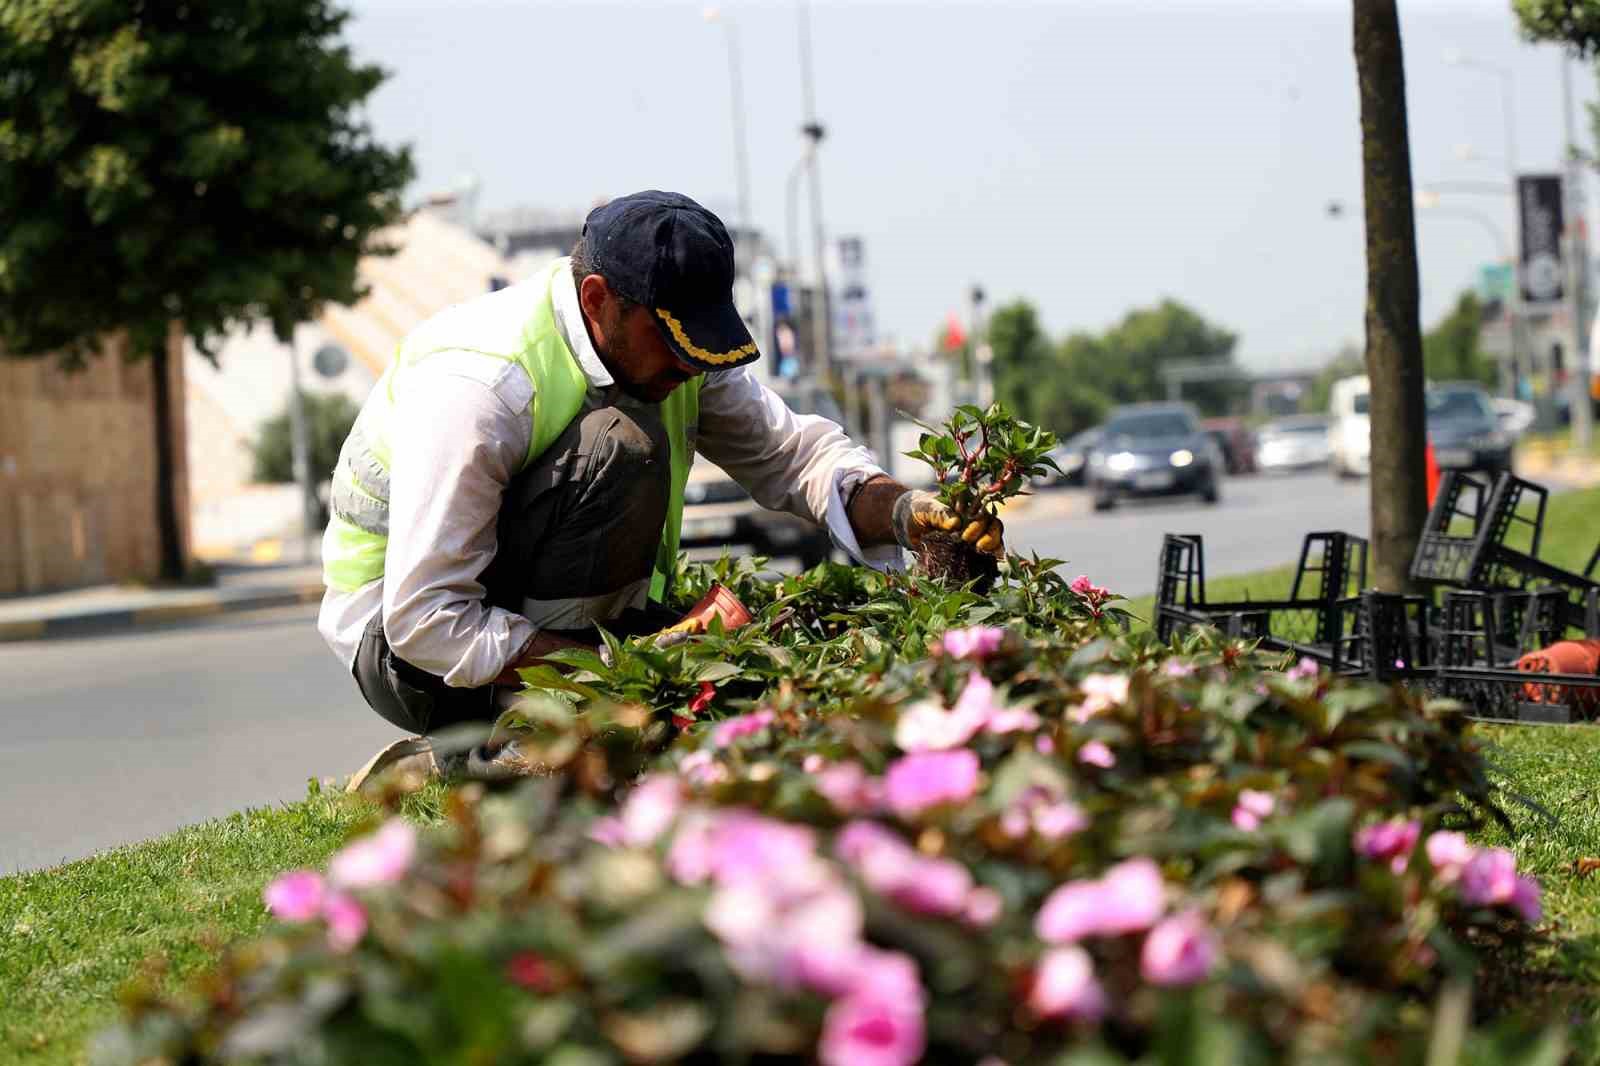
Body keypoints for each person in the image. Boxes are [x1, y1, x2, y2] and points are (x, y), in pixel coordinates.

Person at [318, 190, 1002, 785]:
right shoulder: (486, 385)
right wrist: (618, 669)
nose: (687, 366)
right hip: (404, 652)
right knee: (619, 444)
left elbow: (792, 456)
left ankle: (543, 720)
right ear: (597, 302)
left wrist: (908, 511)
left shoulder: (678, 356)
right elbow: (424, 620)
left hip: (518, 631)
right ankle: (494, 742)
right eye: (671, 341)